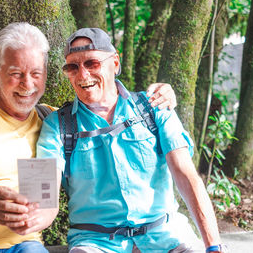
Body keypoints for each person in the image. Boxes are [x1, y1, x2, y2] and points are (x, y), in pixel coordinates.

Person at [0, 23, 177, 253]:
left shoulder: (53, 123)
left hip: (22, 243)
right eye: (15, 73)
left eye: (36, 74)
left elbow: (43, 201)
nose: (27, 84)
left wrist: (163, 95)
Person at [36, 28, 226, 253]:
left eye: (92, 63)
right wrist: (22, 214)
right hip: (95, 244)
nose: (82, 75)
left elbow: (186, 174)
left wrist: (213, 245)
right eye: (72, 67)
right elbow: (41, 195)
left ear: (115, 63)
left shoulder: (154, 107)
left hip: (167, 237)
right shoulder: (57, 126)